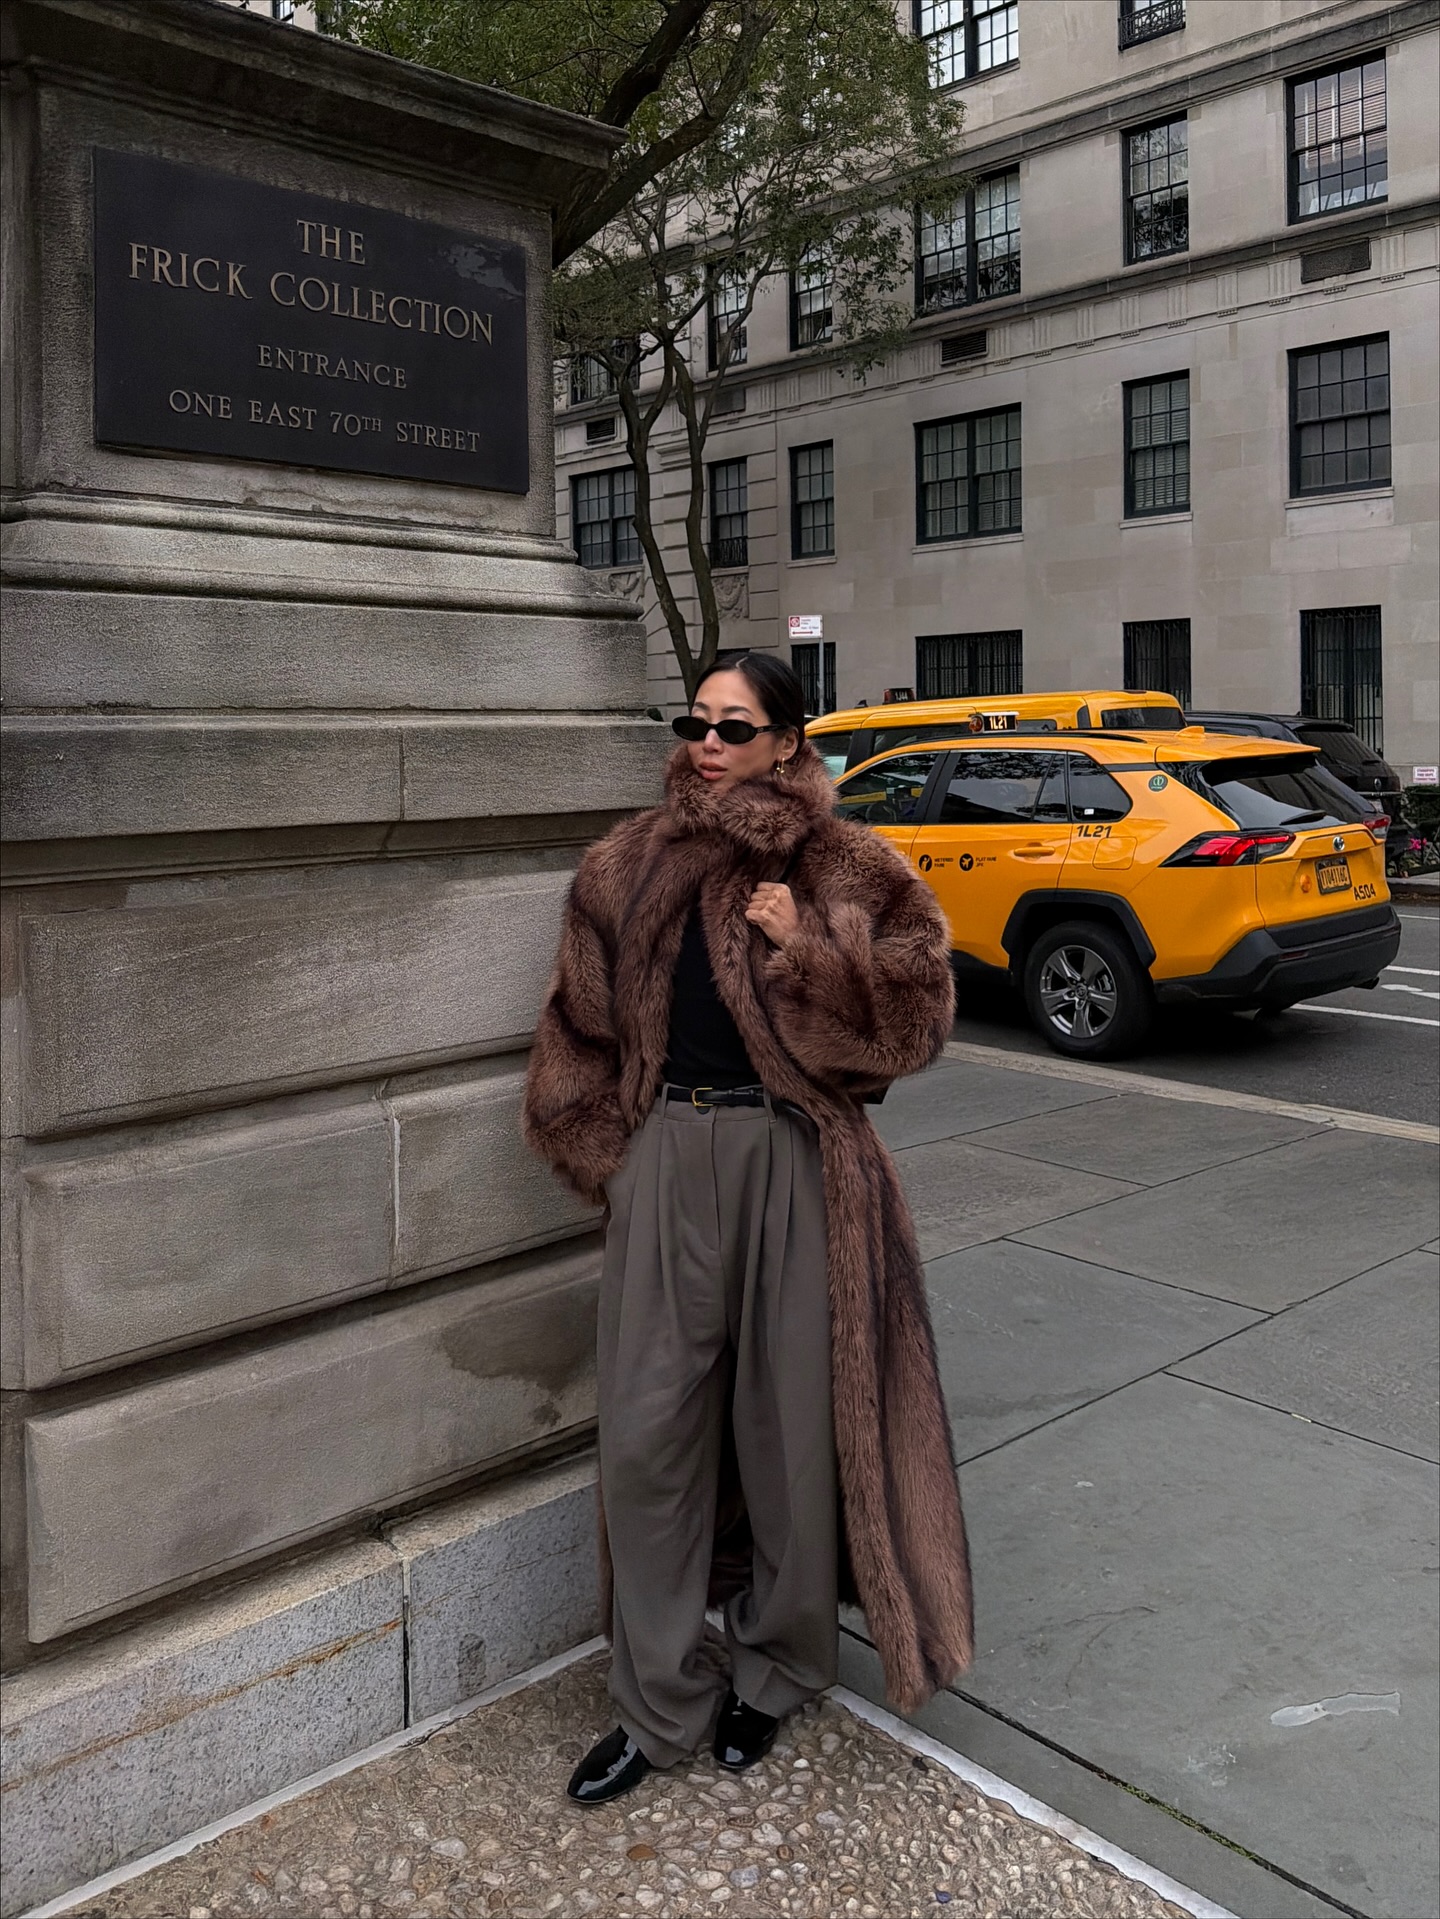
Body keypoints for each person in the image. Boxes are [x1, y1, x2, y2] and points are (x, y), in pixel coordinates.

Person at [523, 652, 972, 1805]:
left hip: (794, 1160)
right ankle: (656, 1697)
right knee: (647, 1433)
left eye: (736, 725)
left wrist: (811, 951)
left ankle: (772, 1672)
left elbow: (916, 1023)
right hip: (666, 1156)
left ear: (787, 741)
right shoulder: (626, 863)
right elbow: (577, 1028)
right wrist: (615, 1165)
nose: (708, 742)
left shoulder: (844, 861)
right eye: (696, 721)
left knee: (787, 1434)